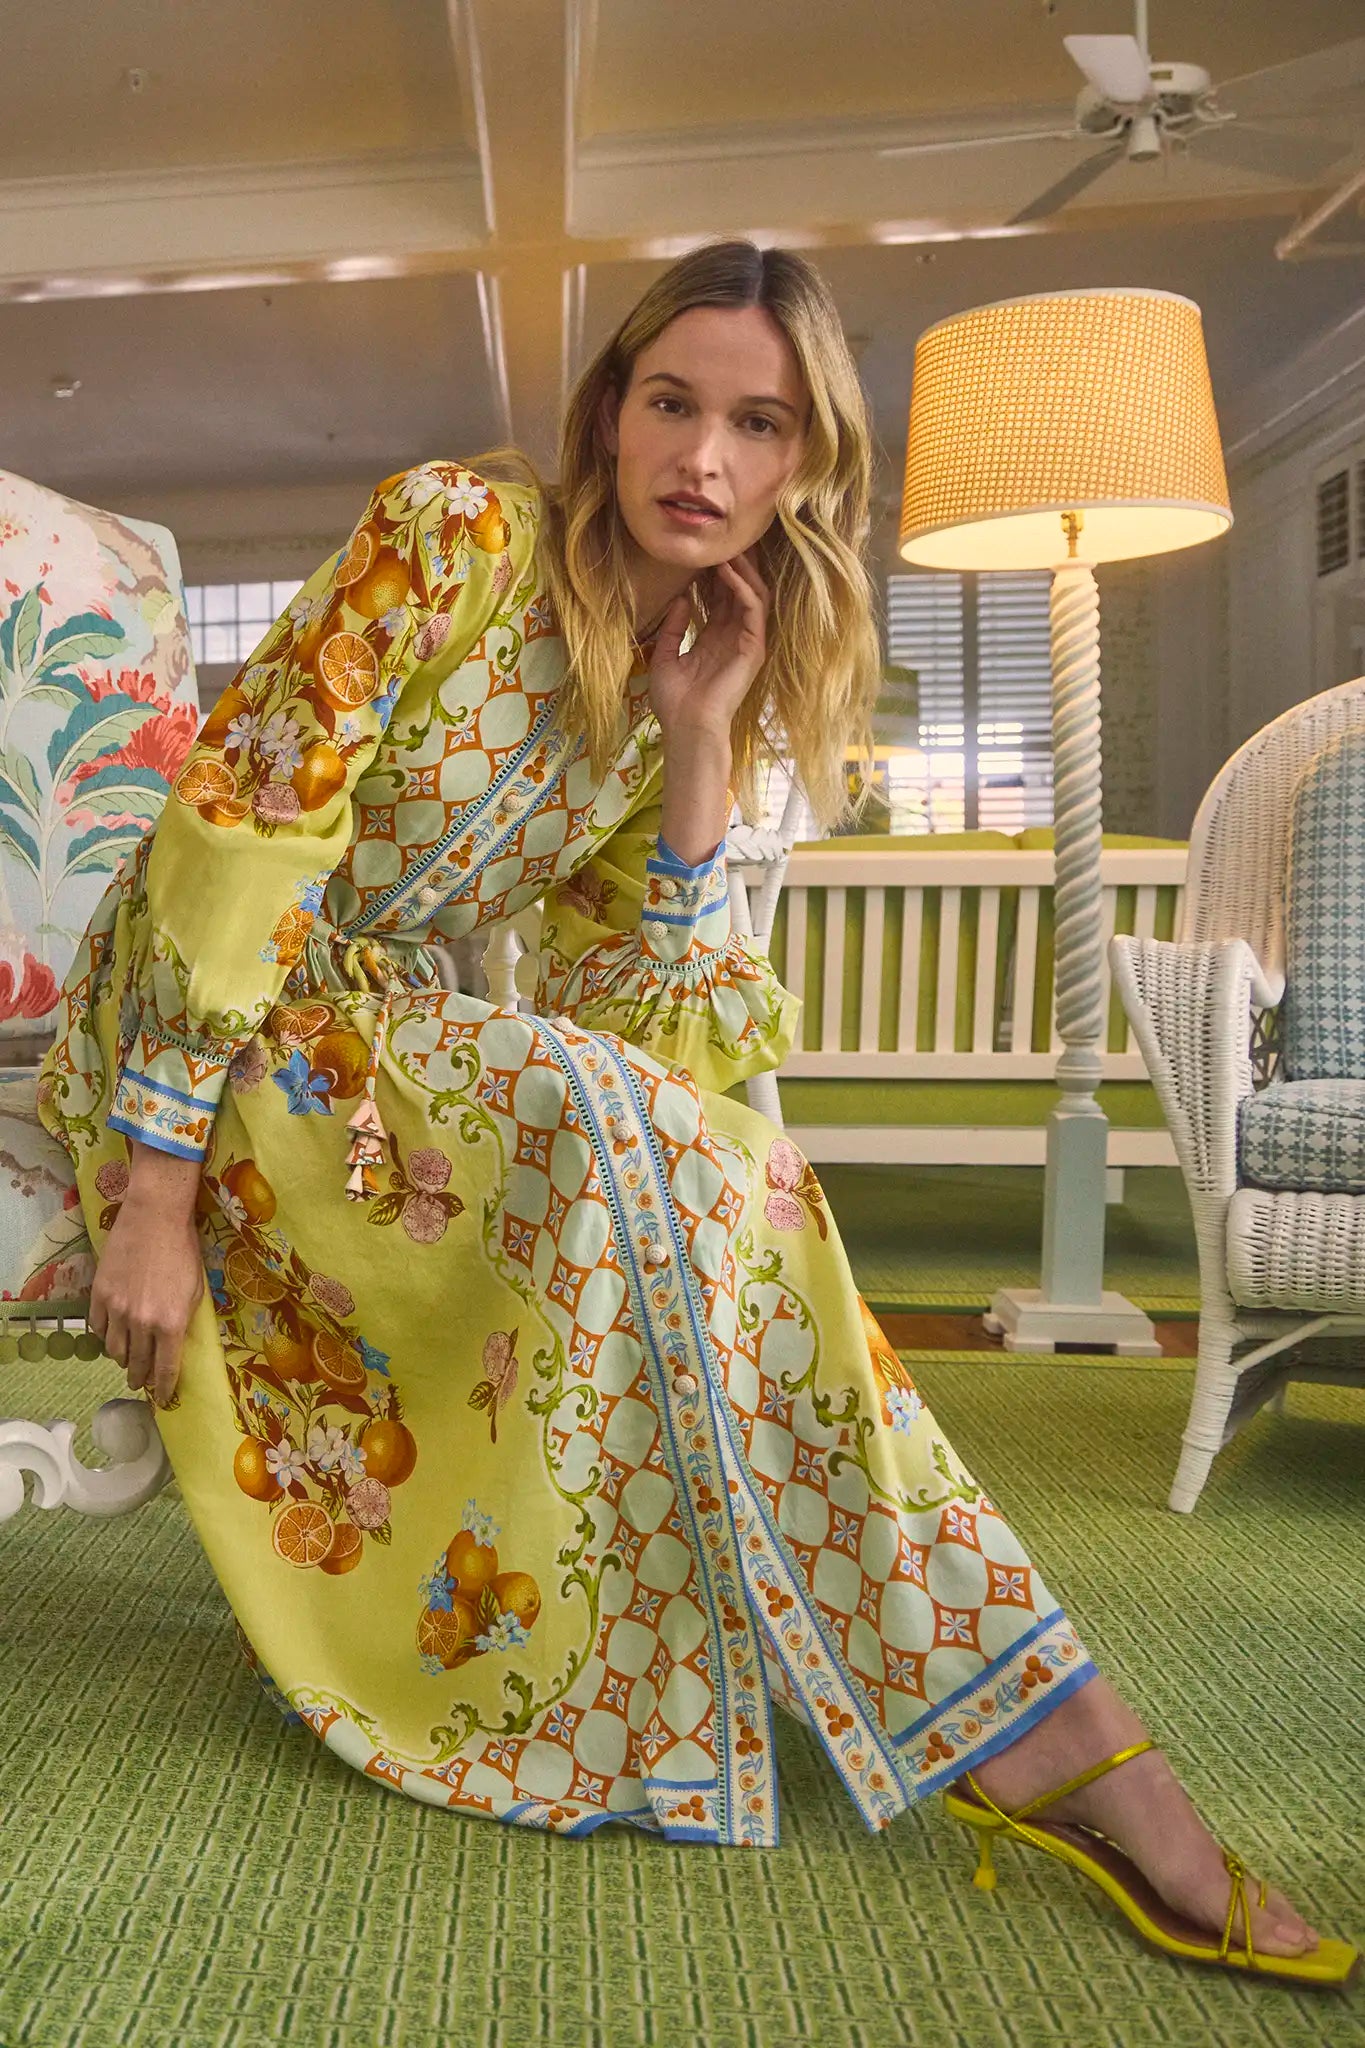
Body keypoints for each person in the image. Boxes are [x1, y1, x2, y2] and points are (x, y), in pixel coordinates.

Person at [38, 240, 1353, 1988]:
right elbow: (243, 823)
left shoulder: (677, 649)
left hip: (391, 1045)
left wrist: (695, 746)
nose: (705, 461)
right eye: (672, 402)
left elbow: (630, 1018)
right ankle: (1045, 1733)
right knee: (661, 1132)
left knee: (702, 1145)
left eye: (760, 425)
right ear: (609, 407)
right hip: (200, 1031)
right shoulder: (454, 534)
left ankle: (1021, 1695)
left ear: (810, 466)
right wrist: (150, 1191)